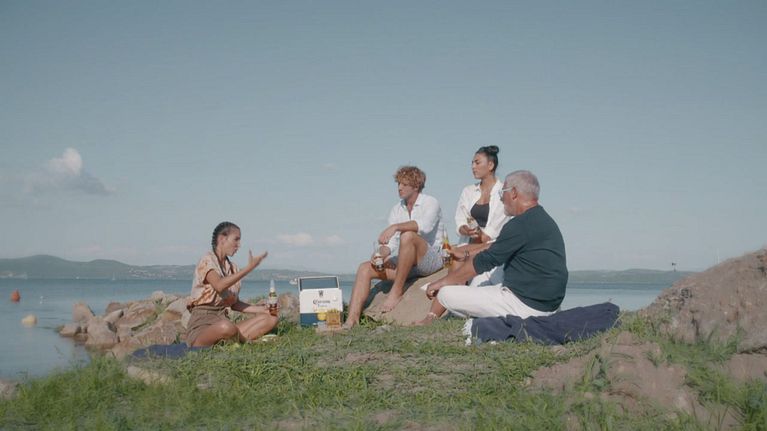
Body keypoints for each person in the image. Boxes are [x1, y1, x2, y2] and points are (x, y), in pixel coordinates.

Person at [425, 170, 568, 320]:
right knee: (487, 273)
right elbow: (494, 247)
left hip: (526, 306)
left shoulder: (519, 224)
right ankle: (474, 309)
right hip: (549, 305)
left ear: (513, 193)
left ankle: (463, 312)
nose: (501, 198)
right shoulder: (543, 219)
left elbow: (485, 260)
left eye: (502, 192)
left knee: (445, 294)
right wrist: (466, 253)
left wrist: (443, 282)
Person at [415, 146, 510, 325]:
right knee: (456, 256)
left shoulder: (502, 192)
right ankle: (436, 313)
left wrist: (480, 233)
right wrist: (465, 229)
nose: (473, 166)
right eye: (472, 163)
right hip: (468, 242)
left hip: (488, 245)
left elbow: (491, 233)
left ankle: (435, 314)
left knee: (458, 258)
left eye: (477, 162)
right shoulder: (468, 191)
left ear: (490, 165)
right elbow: (460, 219)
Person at [343, 166, 446, 328]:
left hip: (430, 259)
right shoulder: (397, 209)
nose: (399, 188)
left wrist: (396, 227)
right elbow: (391, 245)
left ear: (416, 186)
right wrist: (381, 253)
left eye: (404, 184)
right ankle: (351, 320)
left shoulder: (430, 202)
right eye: (398, 183)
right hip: (407, 262)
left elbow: (424, 227)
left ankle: (396, 292)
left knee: (408, 235)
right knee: (365, 268)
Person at [186, 221, 279, 347]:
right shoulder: (207, 260)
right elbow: (219, 285)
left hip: (223, 321)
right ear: (222, 239)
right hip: (203, 325)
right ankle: (248, 343)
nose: (239, 245)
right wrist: (248, 268)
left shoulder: (233, 268)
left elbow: (234, 304)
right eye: (236, 239)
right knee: (225, 327)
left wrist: (262, 309)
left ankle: (232, 341)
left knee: (271, 319)